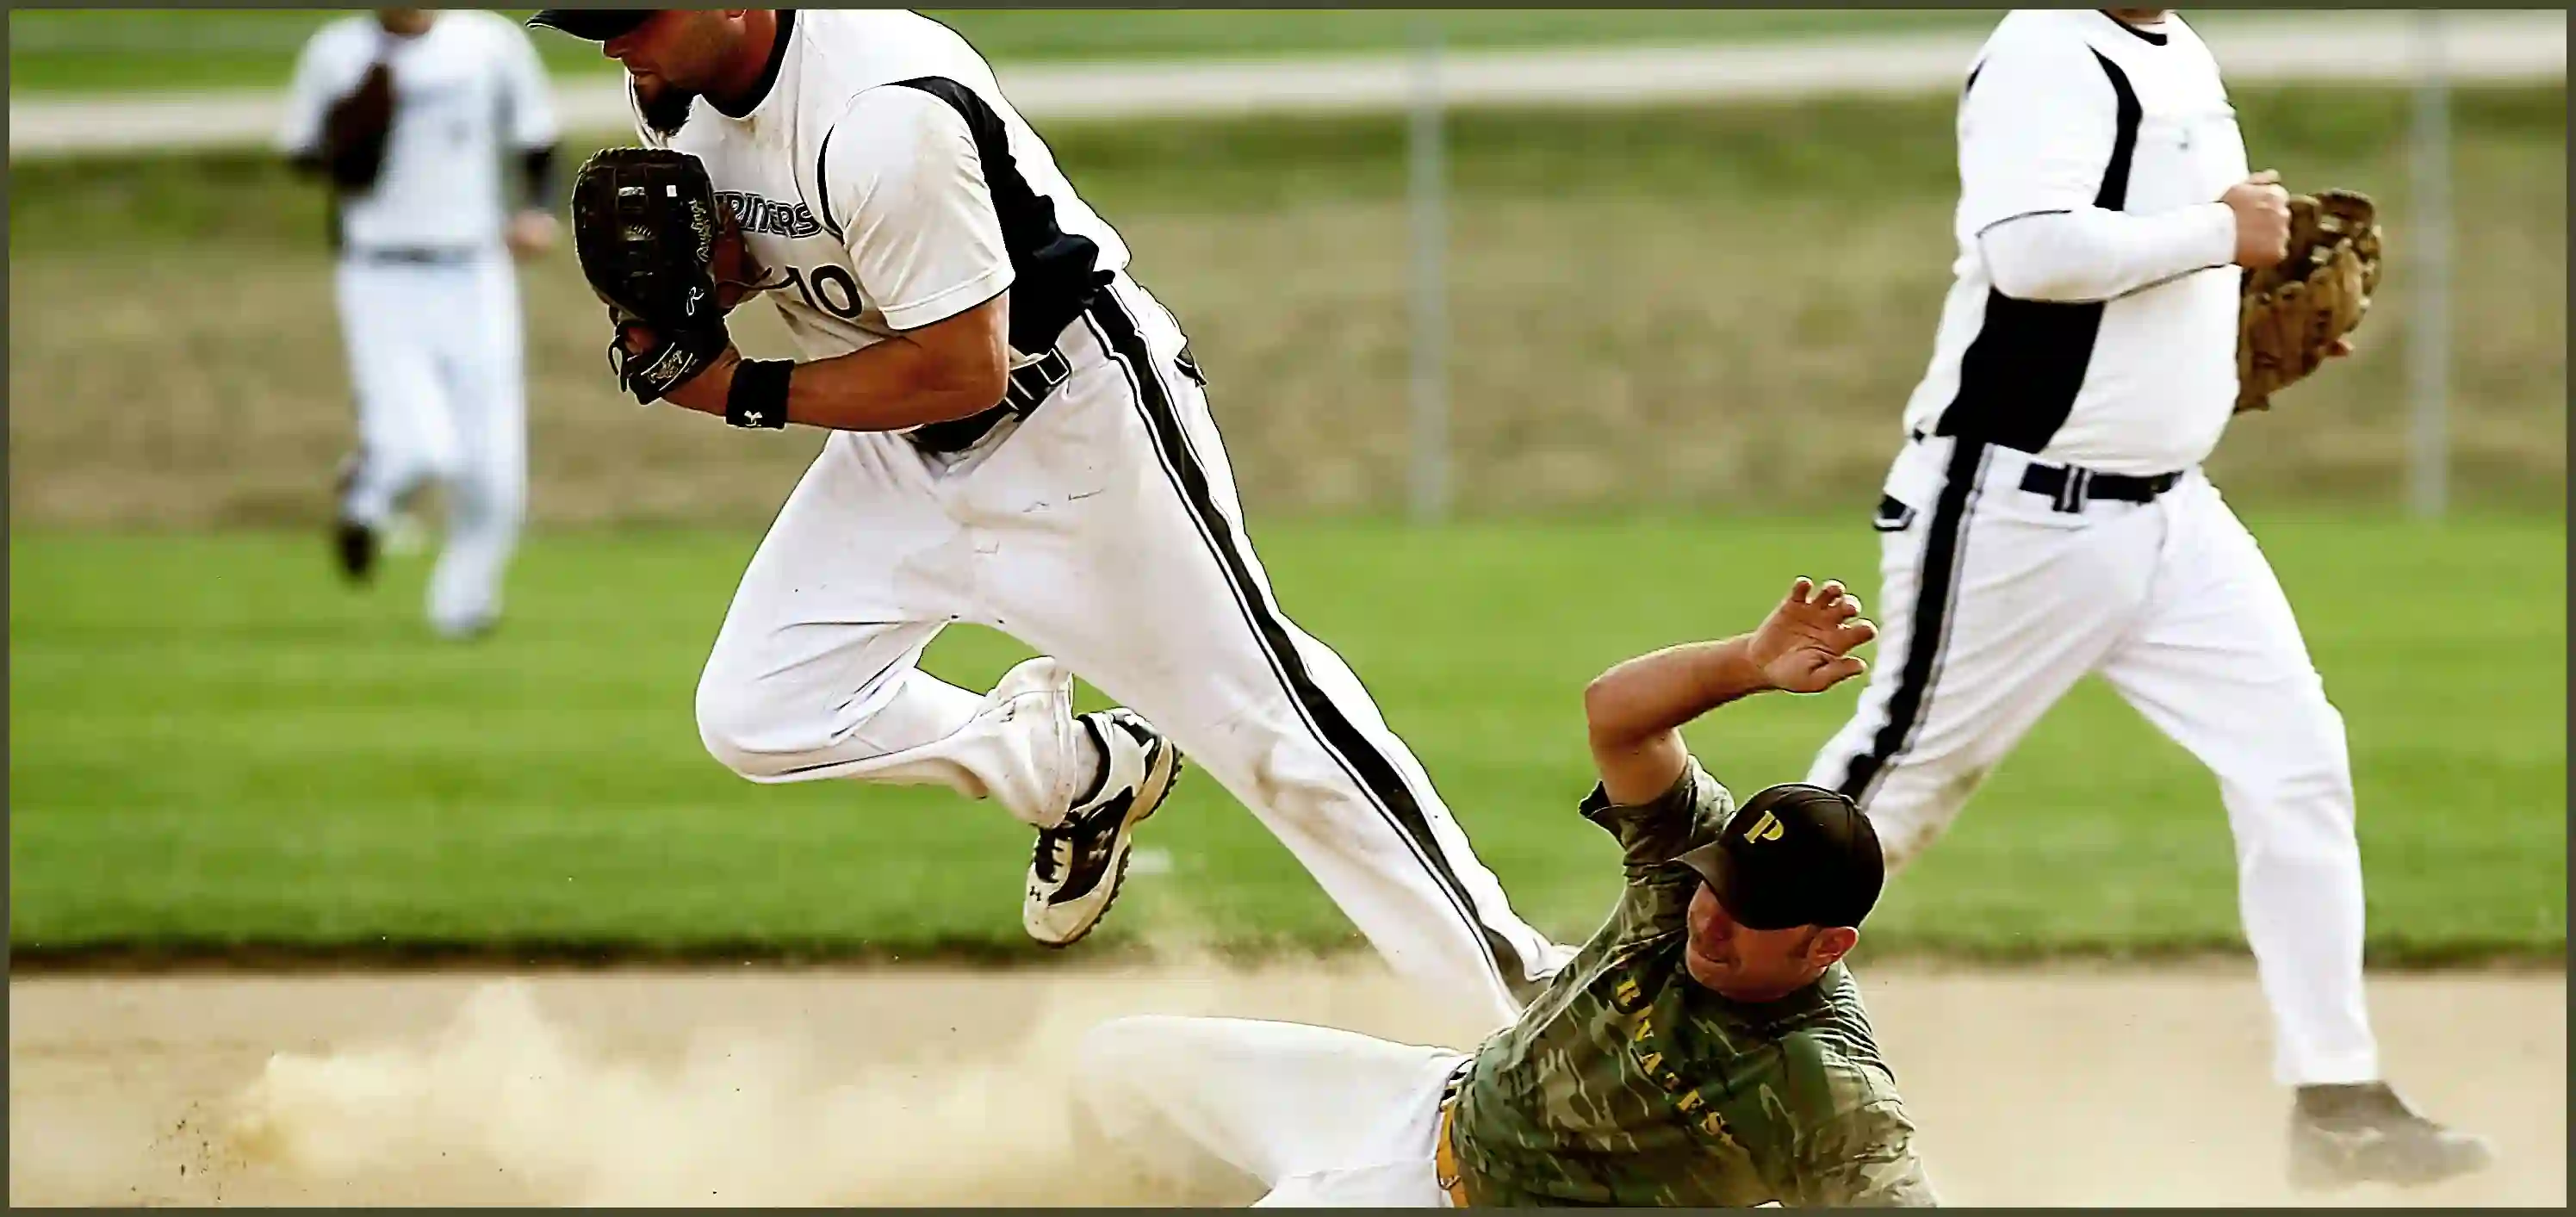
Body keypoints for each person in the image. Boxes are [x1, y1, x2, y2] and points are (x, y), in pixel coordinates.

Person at [522, 9, 1563, 1026]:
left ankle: (1522, 999)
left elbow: (963, 368)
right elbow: (774, 252)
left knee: (1268, 729)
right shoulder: (674, 93)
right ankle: (1080, 771)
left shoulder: (884, 113)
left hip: (1073, 426)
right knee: (760, 712)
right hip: (897, 449)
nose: (612, 40)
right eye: (585, 22)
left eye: (630, 15)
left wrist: (739, 389)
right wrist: (691, 297)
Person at [1798, 8, 2490, 1189]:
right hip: (2017, 509)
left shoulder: (2175, 48)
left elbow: (2153, 255)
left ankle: (2337, 1101)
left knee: (2295, 764)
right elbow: (2030, 253)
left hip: (2171, 512)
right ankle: (1649, 1000)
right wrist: (2219, 232)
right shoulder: (2048, 48)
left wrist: (2223, 320)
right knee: (1887, 795)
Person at [1075, 577, 1938, 1208]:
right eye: (1722, 886)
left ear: (1828, 946)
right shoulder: (1686, 877)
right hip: (1425, 1104)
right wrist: (1746, 662)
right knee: (1116, 1071)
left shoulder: (1820, 1081)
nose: (1712, 920)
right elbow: (1617, 716)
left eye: (1754, 915)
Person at [278, 8, 562, 639]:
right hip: (380, 271)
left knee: (493, 465)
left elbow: (538, 139)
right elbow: (301, 152)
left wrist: (537, 213)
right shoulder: (338, 53)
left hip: (476, 268)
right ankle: (367, 496)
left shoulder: (488, 44)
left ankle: (463, 608)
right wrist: (354, 130)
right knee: (421, 446)